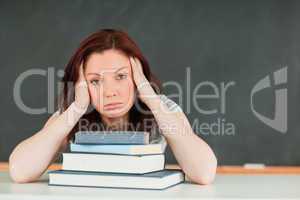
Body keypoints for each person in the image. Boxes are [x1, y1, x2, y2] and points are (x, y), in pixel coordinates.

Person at [9, 29, 217, 184]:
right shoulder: (72, 113)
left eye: (121, 76)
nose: (110, 92)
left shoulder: (160, 109)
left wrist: (151, 98)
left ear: (138, 77)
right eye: (95, 81)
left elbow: (204, 172)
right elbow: (20, 171)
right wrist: (76, 109)